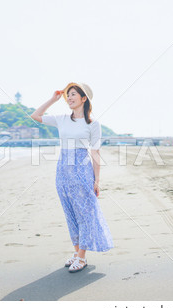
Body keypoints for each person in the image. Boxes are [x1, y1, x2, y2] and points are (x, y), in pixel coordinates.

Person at [31, 82, 114, 273]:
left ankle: (82, 257)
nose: (69, 97)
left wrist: (96, 180)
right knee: (70, 214)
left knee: (84, 214)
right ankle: (77, 253)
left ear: (84, 98)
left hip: (82, 170)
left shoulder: (93, 124)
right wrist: (53, 99)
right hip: (63, 171)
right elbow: (36, 116)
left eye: (73, 94)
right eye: (68, 95)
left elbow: (95, 153)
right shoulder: (61, 119)